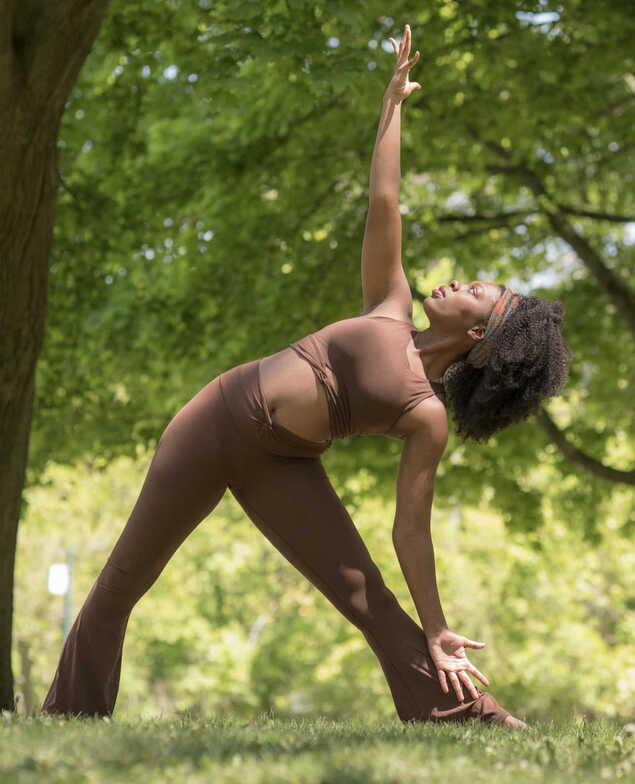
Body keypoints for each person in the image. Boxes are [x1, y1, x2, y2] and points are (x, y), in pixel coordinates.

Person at [41, 24, 568, 727]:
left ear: (479, 337)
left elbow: (409, 530)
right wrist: (391, 107)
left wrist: (436, 624)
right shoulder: (390, 307)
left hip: (281, 465)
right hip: (215, 420)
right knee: (123, 582)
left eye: (478, 292)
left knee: (369, 599)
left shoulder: (426, 416)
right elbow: (385, 204)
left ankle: (467, 715)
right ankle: (72, 715)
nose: (462, 282)